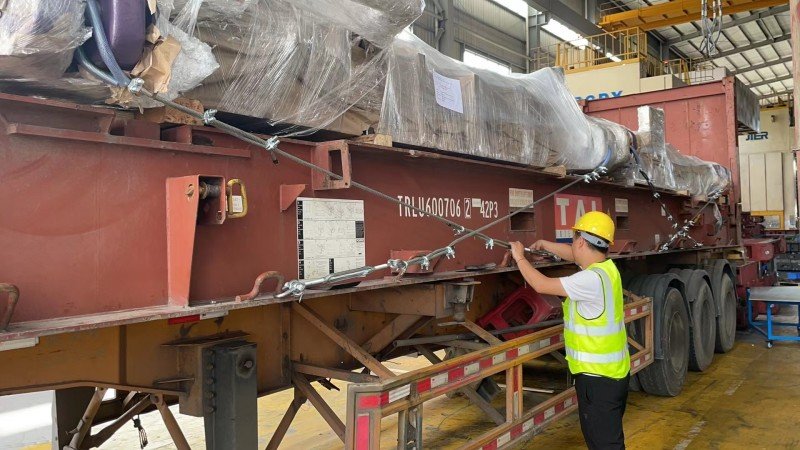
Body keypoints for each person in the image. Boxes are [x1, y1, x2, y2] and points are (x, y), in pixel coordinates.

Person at [509, 211, 630, 450]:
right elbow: (574, 255)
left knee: (605, 445)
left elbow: (541, 284)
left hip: (598, 381)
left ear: (582, 242)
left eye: (574, 240)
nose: (572, 245)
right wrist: (546, 245)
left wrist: (519, 257)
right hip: (611, 376)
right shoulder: (607, 269)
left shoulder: (589, 280)